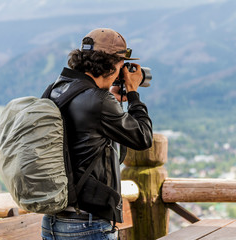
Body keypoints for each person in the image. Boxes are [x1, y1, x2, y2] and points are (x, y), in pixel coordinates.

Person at [41, 28, 153, 240]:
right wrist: (133, 95)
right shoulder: (99, 101)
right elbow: (143, 137)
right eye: (122, 65)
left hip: (53, 222)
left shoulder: (57, 89)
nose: (123, 71)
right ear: (111, 64)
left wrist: (111, 101)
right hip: (87, 225)